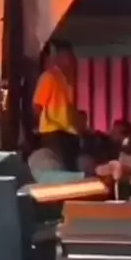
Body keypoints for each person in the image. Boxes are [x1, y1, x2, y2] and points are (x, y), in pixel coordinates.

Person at [33, 39, 79, 171]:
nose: (73, 60)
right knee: (60, 169)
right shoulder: (49, 77)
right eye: (69, 56)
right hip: (53, 132)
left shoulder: (66, 79)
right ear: (59, 57)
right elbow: (37, 105)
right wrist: (41, 126)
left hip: (68, 132)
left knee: (70, 169)